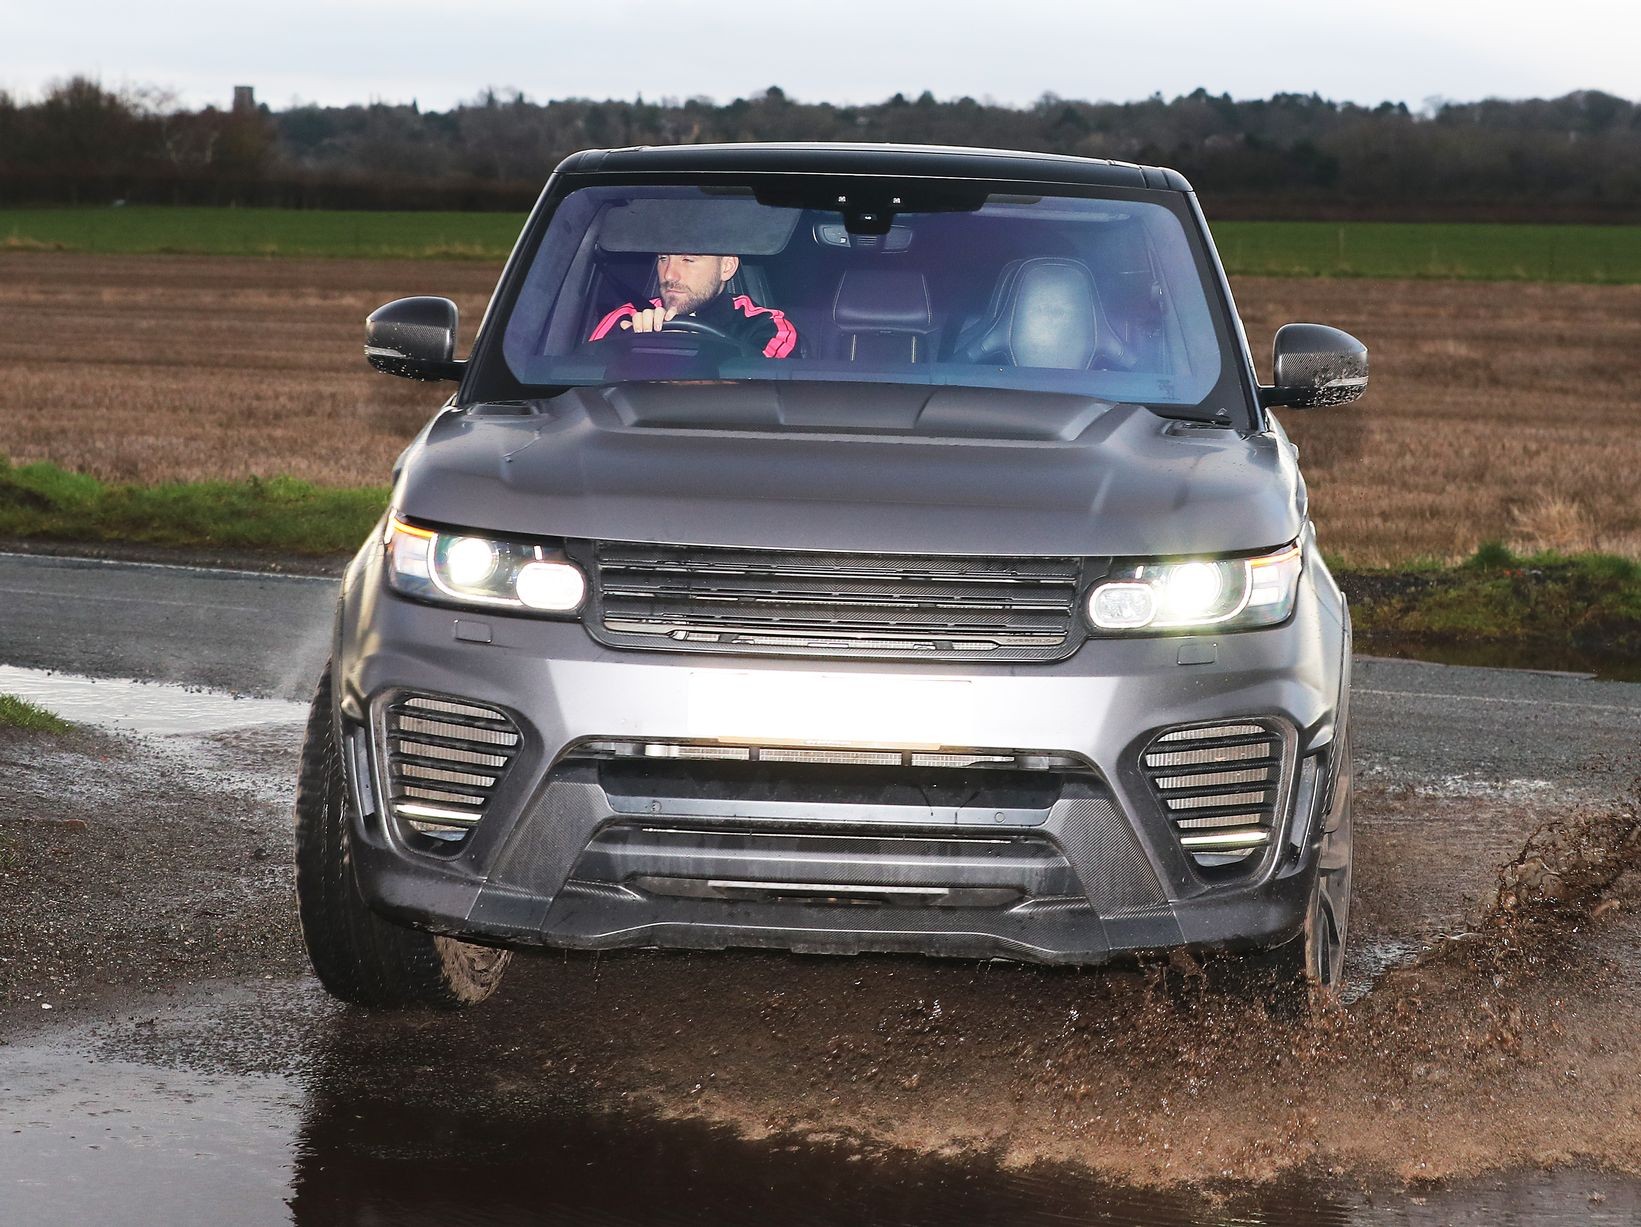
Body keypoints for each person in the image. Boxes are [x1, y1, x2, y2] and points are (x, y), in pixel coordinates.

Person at [589, 253, 797, 358]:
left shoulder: (766, 326)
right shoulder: (624, 320)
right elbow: (584, 388)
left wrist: (692, 344)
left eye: (688, 259)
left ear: (727, 267)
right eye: (663, 258)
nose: (669, 274)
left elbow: (767, 394)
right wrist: (632, 344)